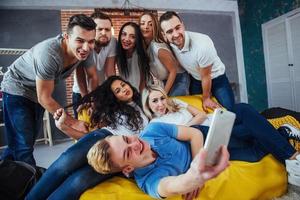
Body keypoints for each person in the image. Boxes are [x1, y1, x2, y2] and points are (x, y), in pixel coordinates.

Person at [141, 85, 300, 186]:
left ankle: (292, 158)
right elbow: (184, 135)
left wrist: (186, 127)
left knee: (243, 110)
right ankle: (283, 133)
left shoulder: (176, 103)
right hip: (208, 138)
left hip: (216, 122)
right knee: (253, 149)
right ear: (148, 105)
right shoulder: (154, 125)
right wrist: (191, 127)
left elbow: (202, 115)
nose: (160, 104)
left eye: (162, 98)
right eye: (154, 101)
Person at [26, 76, 149, 200]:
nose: (123, 89)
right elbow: (93, 130)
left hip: (119, 155)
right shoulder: (115, 110)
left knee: (79, 180)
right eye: (117, 91)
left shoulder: (144, 104)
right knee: (65, 164)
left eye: (123, 85)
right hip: (104, 137)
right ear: (114, 97)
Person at [0, 14, 97, 166]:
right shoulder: (49, 53)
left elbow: (92, 76)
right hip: (16, 88)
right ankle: (32, 187)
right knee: (23, 146)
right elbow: (44, 97)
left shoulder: (85, 52)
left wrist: (90, 100)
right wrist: (73, 123)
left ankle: (5, 175)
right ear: (66, 37)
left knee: (22, 143)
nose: (86, 47)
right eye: (80, 40)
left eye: (91, 41)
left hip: (37, 93)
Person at [87, 122, 230, 200]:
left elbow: (195, 133)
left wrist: (198, 162)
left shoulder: (152, 130)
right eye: (128, 152)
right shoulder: (148, 181)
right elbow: (169, 186)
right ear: (128, 169)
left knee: (243, 111)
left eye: (127, 139)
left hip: (202, 137)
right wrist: (192, 179)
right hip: (209, 152)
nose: (135, 144)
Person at [159, 11, 235, 111]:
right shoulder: (170, 44)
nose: (176, 34)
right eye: (169, 31)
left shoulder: (202, 44)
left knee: (229, 112)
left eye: (178, 28)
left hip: (216, 79)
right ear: (164, 35)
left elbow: (206, 76)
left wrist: (206, 98)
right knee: (198, 111)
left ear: (183, 25)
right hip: (196, 79)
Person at [72, 11, 117, 118]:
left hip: (101, 91)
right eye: (99, 29)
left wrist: (114, 92)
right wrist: (86, 98)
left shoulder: (113, 42)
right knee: (83, 128)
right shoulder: (84, 43)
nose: (104, 32)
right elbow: (80, 73)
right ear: (92, 30)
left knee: (101, 126)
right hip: (81, 91)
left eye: (107, 29)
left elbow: (110, 71)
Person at [139, 12, 190, 96]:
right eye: (142, 23)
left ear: (155, 27)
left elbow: (173, 71)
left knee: (171, 104)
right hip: (166, 80)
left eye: (150, 24)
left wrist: (164, 94)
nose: (146, 27)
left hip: (178, 78)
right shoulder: (145, 48)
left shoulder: (157, 47)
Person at [116, 22, 151, 91]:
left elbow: (142, 83)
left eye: (132, 37)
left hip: (141, 92)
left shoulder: (140, 55)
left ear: (137, 40)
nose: (126, 39)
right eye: (124, 34)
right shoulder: (118, 54)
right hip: (126, 92)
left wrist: (139, 98)